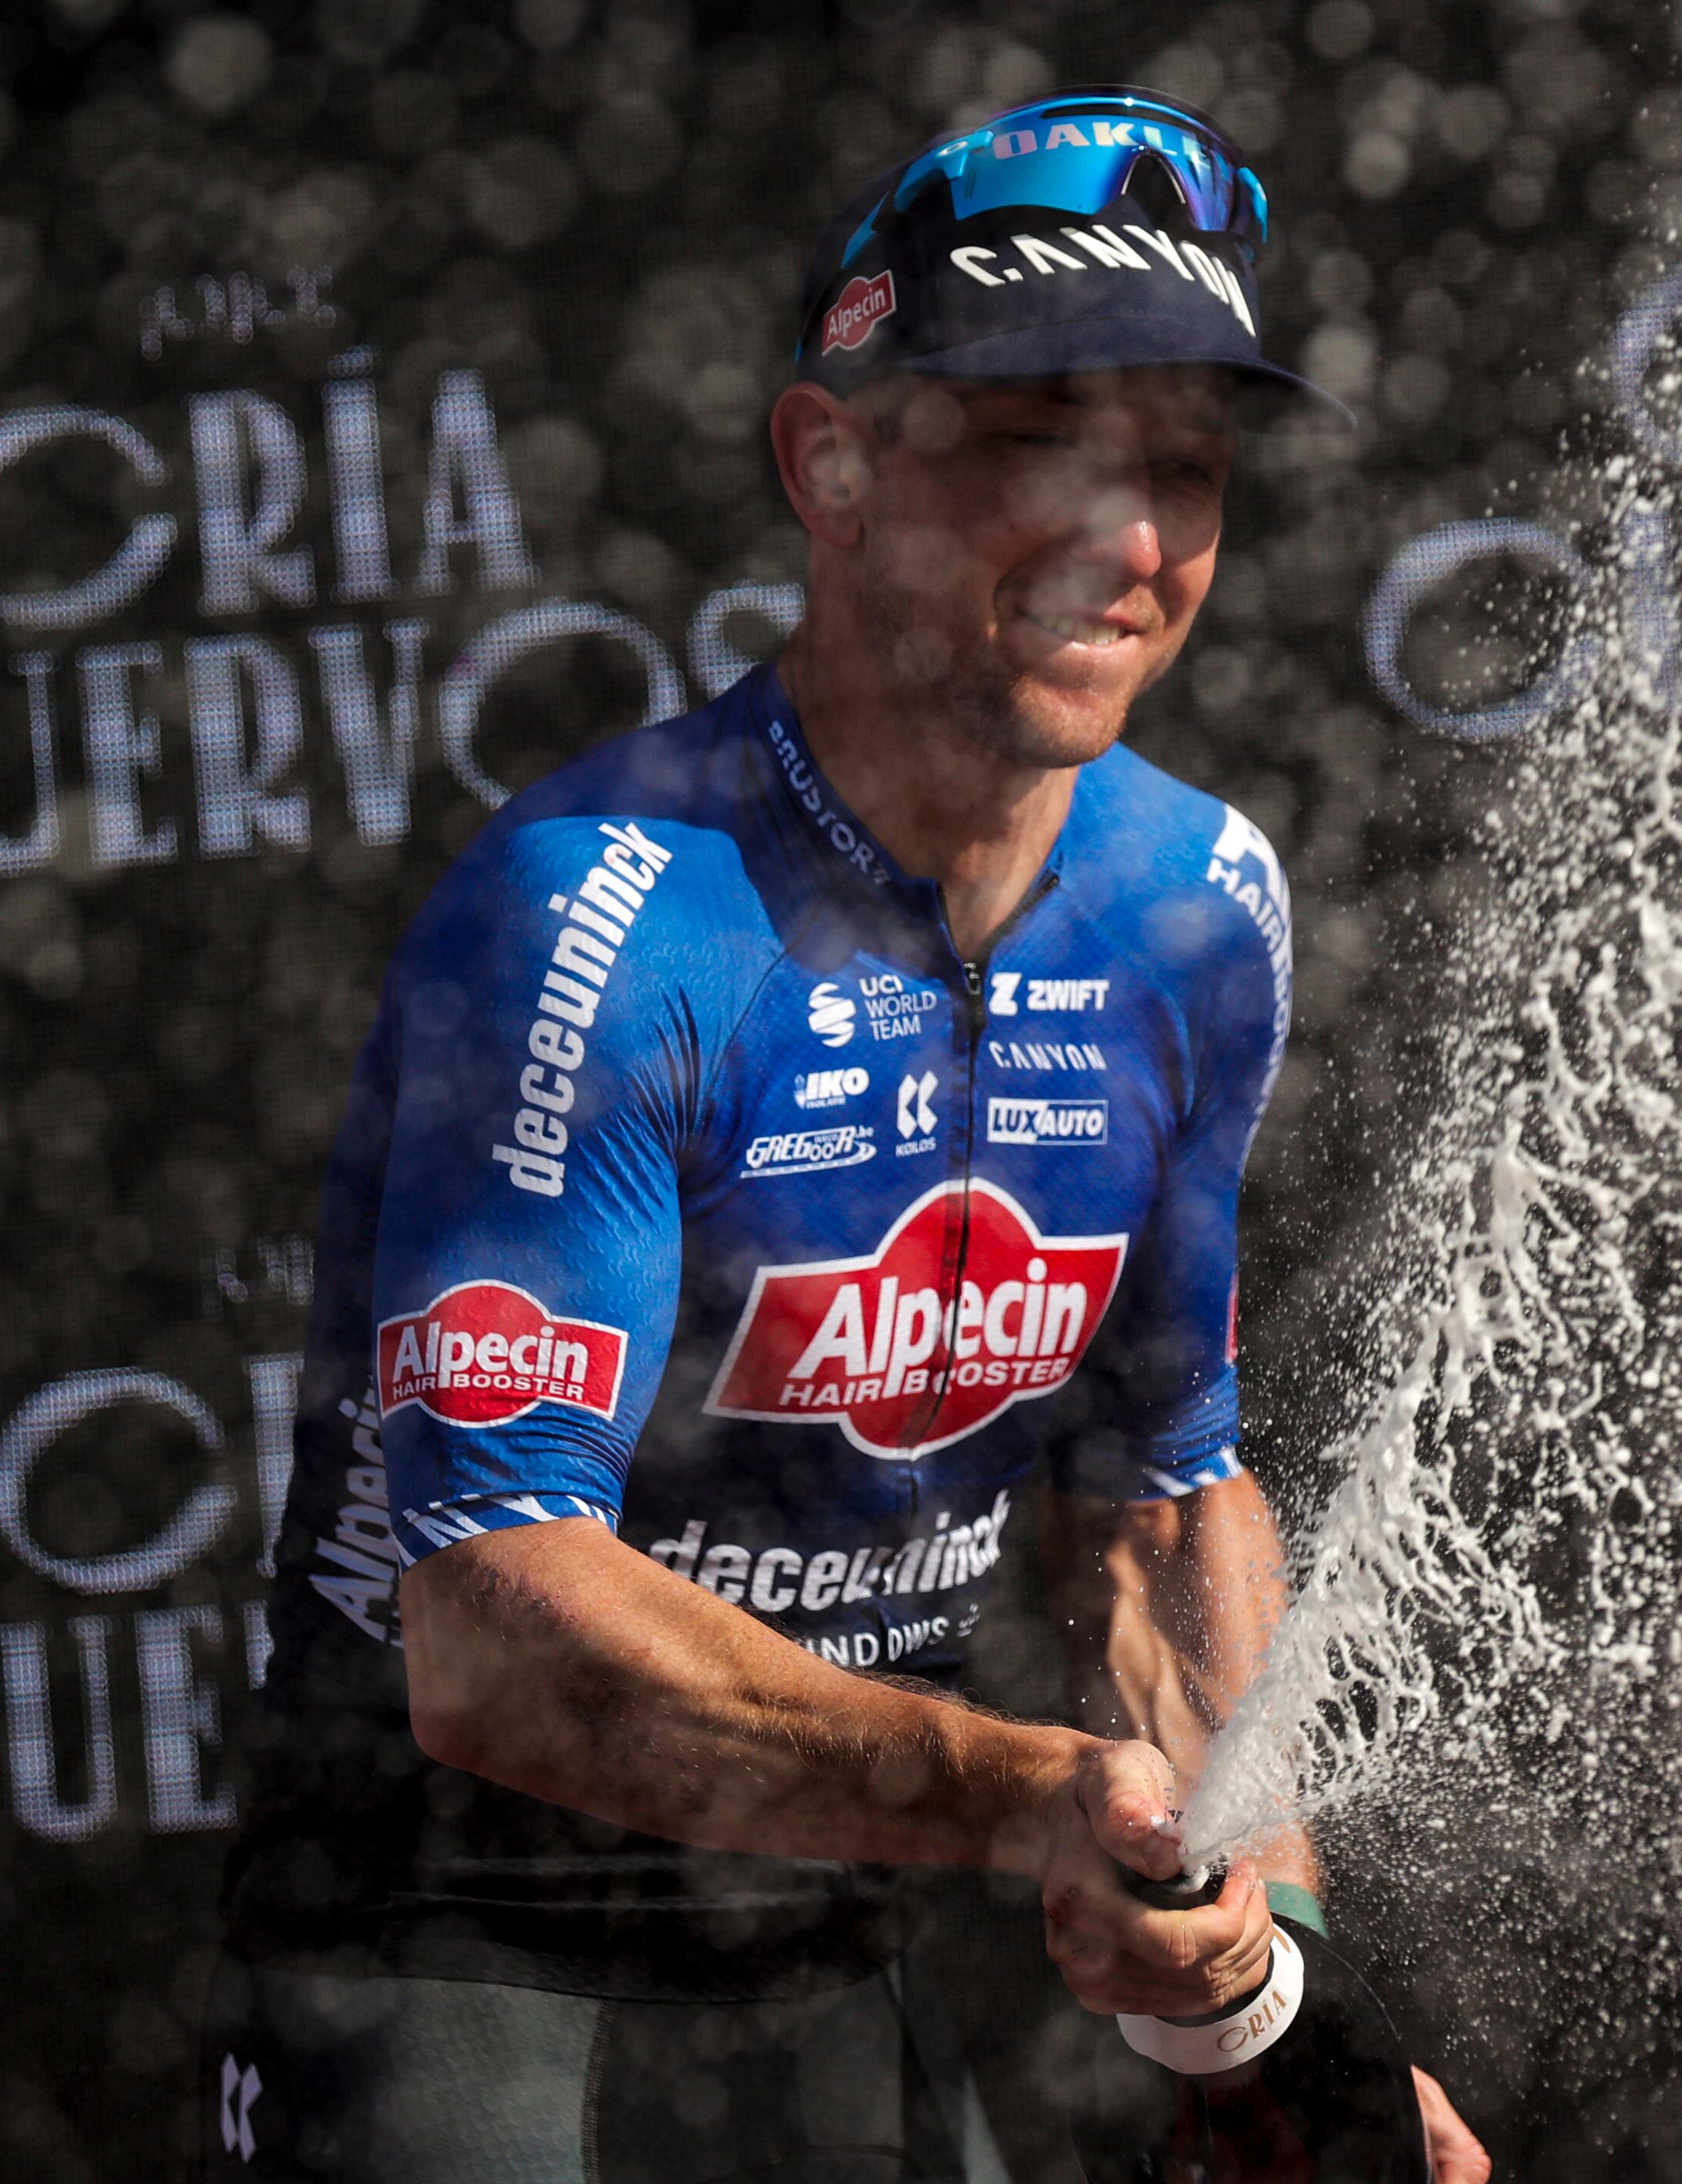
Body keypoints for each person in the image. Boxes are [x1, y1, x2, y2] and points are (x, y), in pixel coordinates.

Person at [206, 86, 1488, 2184]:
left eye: (1182, 466)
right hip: (452, 1954)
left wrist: (1268, 2010)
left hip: (827, 1957)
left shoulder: (1201, 907)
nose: (1125, 535)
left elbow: (1159, 1506)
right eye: (1027, 446)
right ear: (833, 464)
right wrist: (1021, 1800)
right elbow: (492, 1632)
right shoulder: (601, 915)